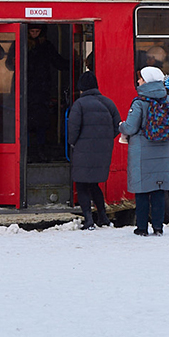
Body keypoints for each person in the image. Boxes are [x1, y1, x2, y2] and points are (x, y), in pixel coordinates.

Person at [119, 66, 169, 236]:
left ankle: (141, 228)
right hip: (163, 149)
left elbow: (130, 127)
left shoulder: (139, 102)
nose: (138, 81)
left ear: (146, 81)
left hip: (142, 151)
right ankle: (158, 227)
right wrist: (164, 132)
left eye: (140, 78)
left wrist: (121, 126)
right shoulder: (168, 100)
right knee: (158, 191)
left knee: (142, 191)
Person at [67, 71, 120, 230]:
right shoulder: (108, 103)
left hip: (83, 151)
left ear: (82, 88)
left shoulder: (79, 104)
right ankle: (103, 217)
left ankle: (89, 220)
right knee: (94, 184)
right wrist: (104, 140)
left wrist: (72, 143)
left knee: (82, 185)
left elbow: (73, 130)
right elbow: (118, 126)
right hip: (103, 151)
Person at [25, 24, 67, 161]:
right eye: (32, 31)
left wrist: (73, 63)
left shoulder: (46, 46)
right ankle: (31, 151)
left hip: (38, 90)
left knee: (39, 123)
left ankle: (37, 151)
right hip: (28, 90)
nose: (34, 34)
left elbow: (58, 62)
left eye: (37, 31)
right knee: (30, 122)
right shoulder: (24, 43)